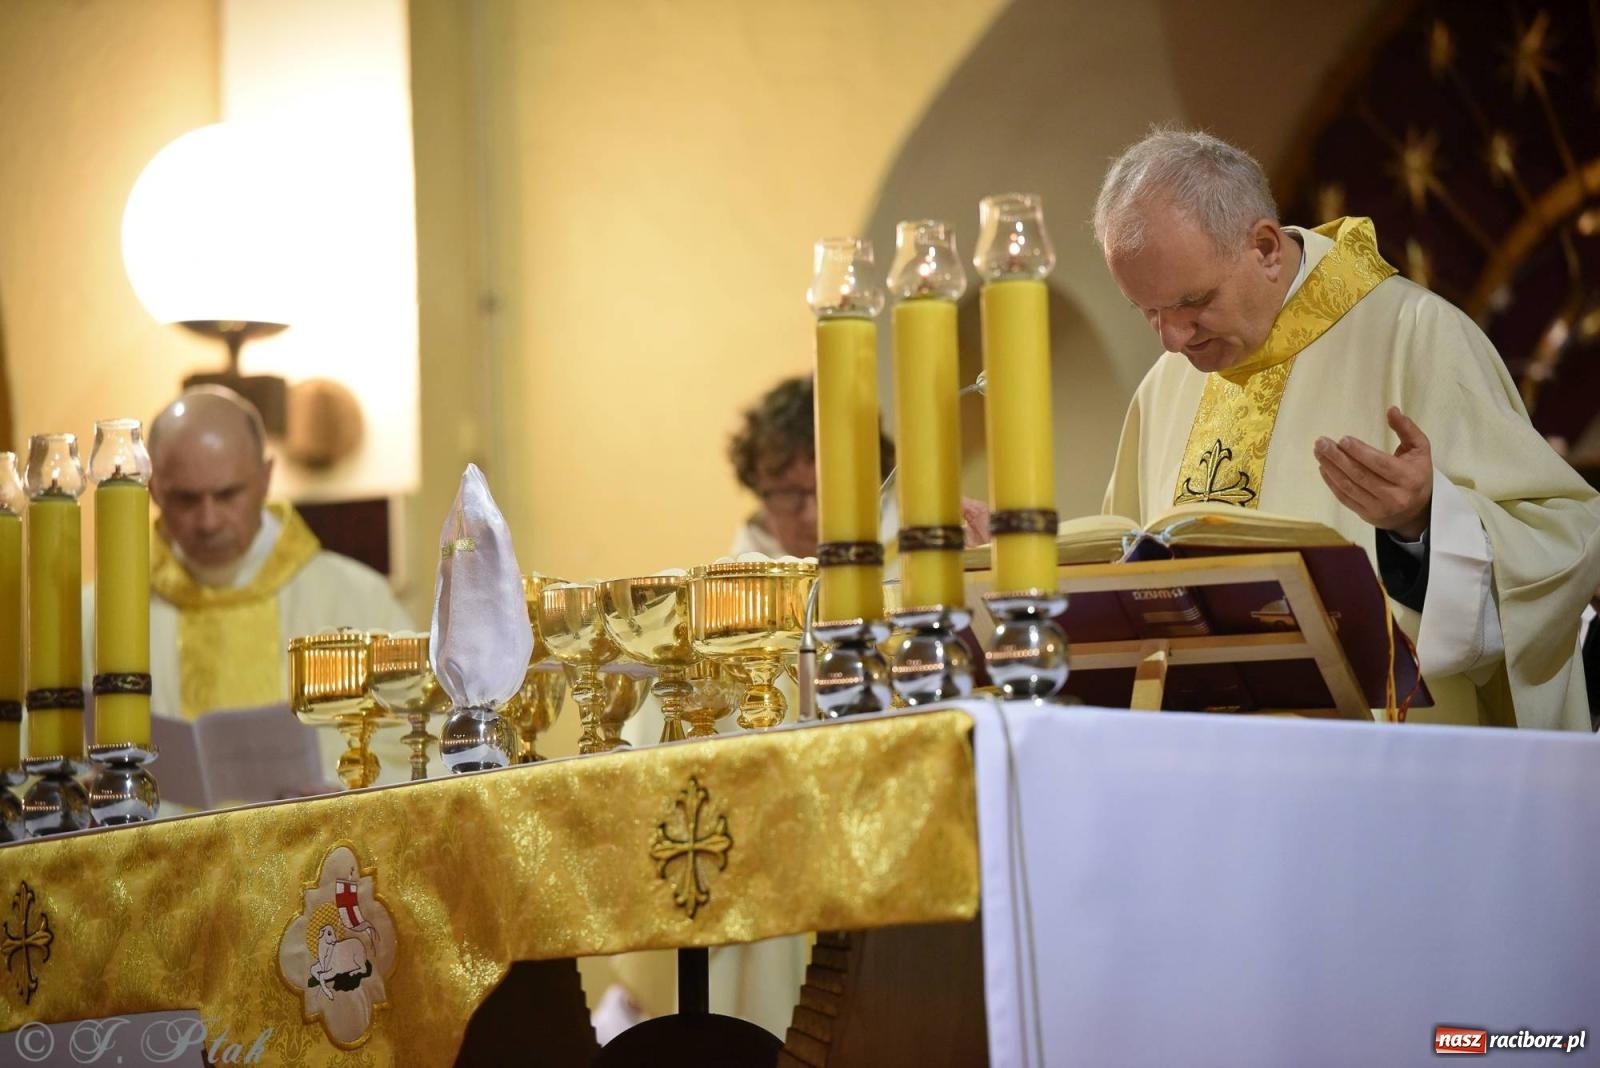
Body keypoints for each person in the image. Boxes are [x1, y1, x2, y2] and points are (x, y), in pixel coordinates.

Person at [1094, 127, 1600, 730]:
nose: (1172, 338)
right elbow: (1123, 574)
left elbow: (1564, 543)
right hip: (1205, 762)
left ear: (1264, 247)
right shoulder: (1163, 386)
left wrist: (1426, 522)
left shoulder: (1416, 334)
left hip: (1381, 767)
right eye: (1148, 311)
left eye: (1192, 302)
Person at [86, 386, 415, 796]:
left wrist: (340, 792)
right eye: (186, 499)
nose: (208, 521)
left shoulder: (356, 597)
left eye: (227, 495)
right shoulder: (99, 616)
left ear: (265, 478)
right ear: (153, 491)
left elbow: (418, 744)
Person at [728, 374, 989, 557]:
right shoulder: (734, 591)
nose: (812, 515)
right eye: (790, 494)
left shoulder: (928, 544)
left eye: (831, 490)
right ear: (760, 490)